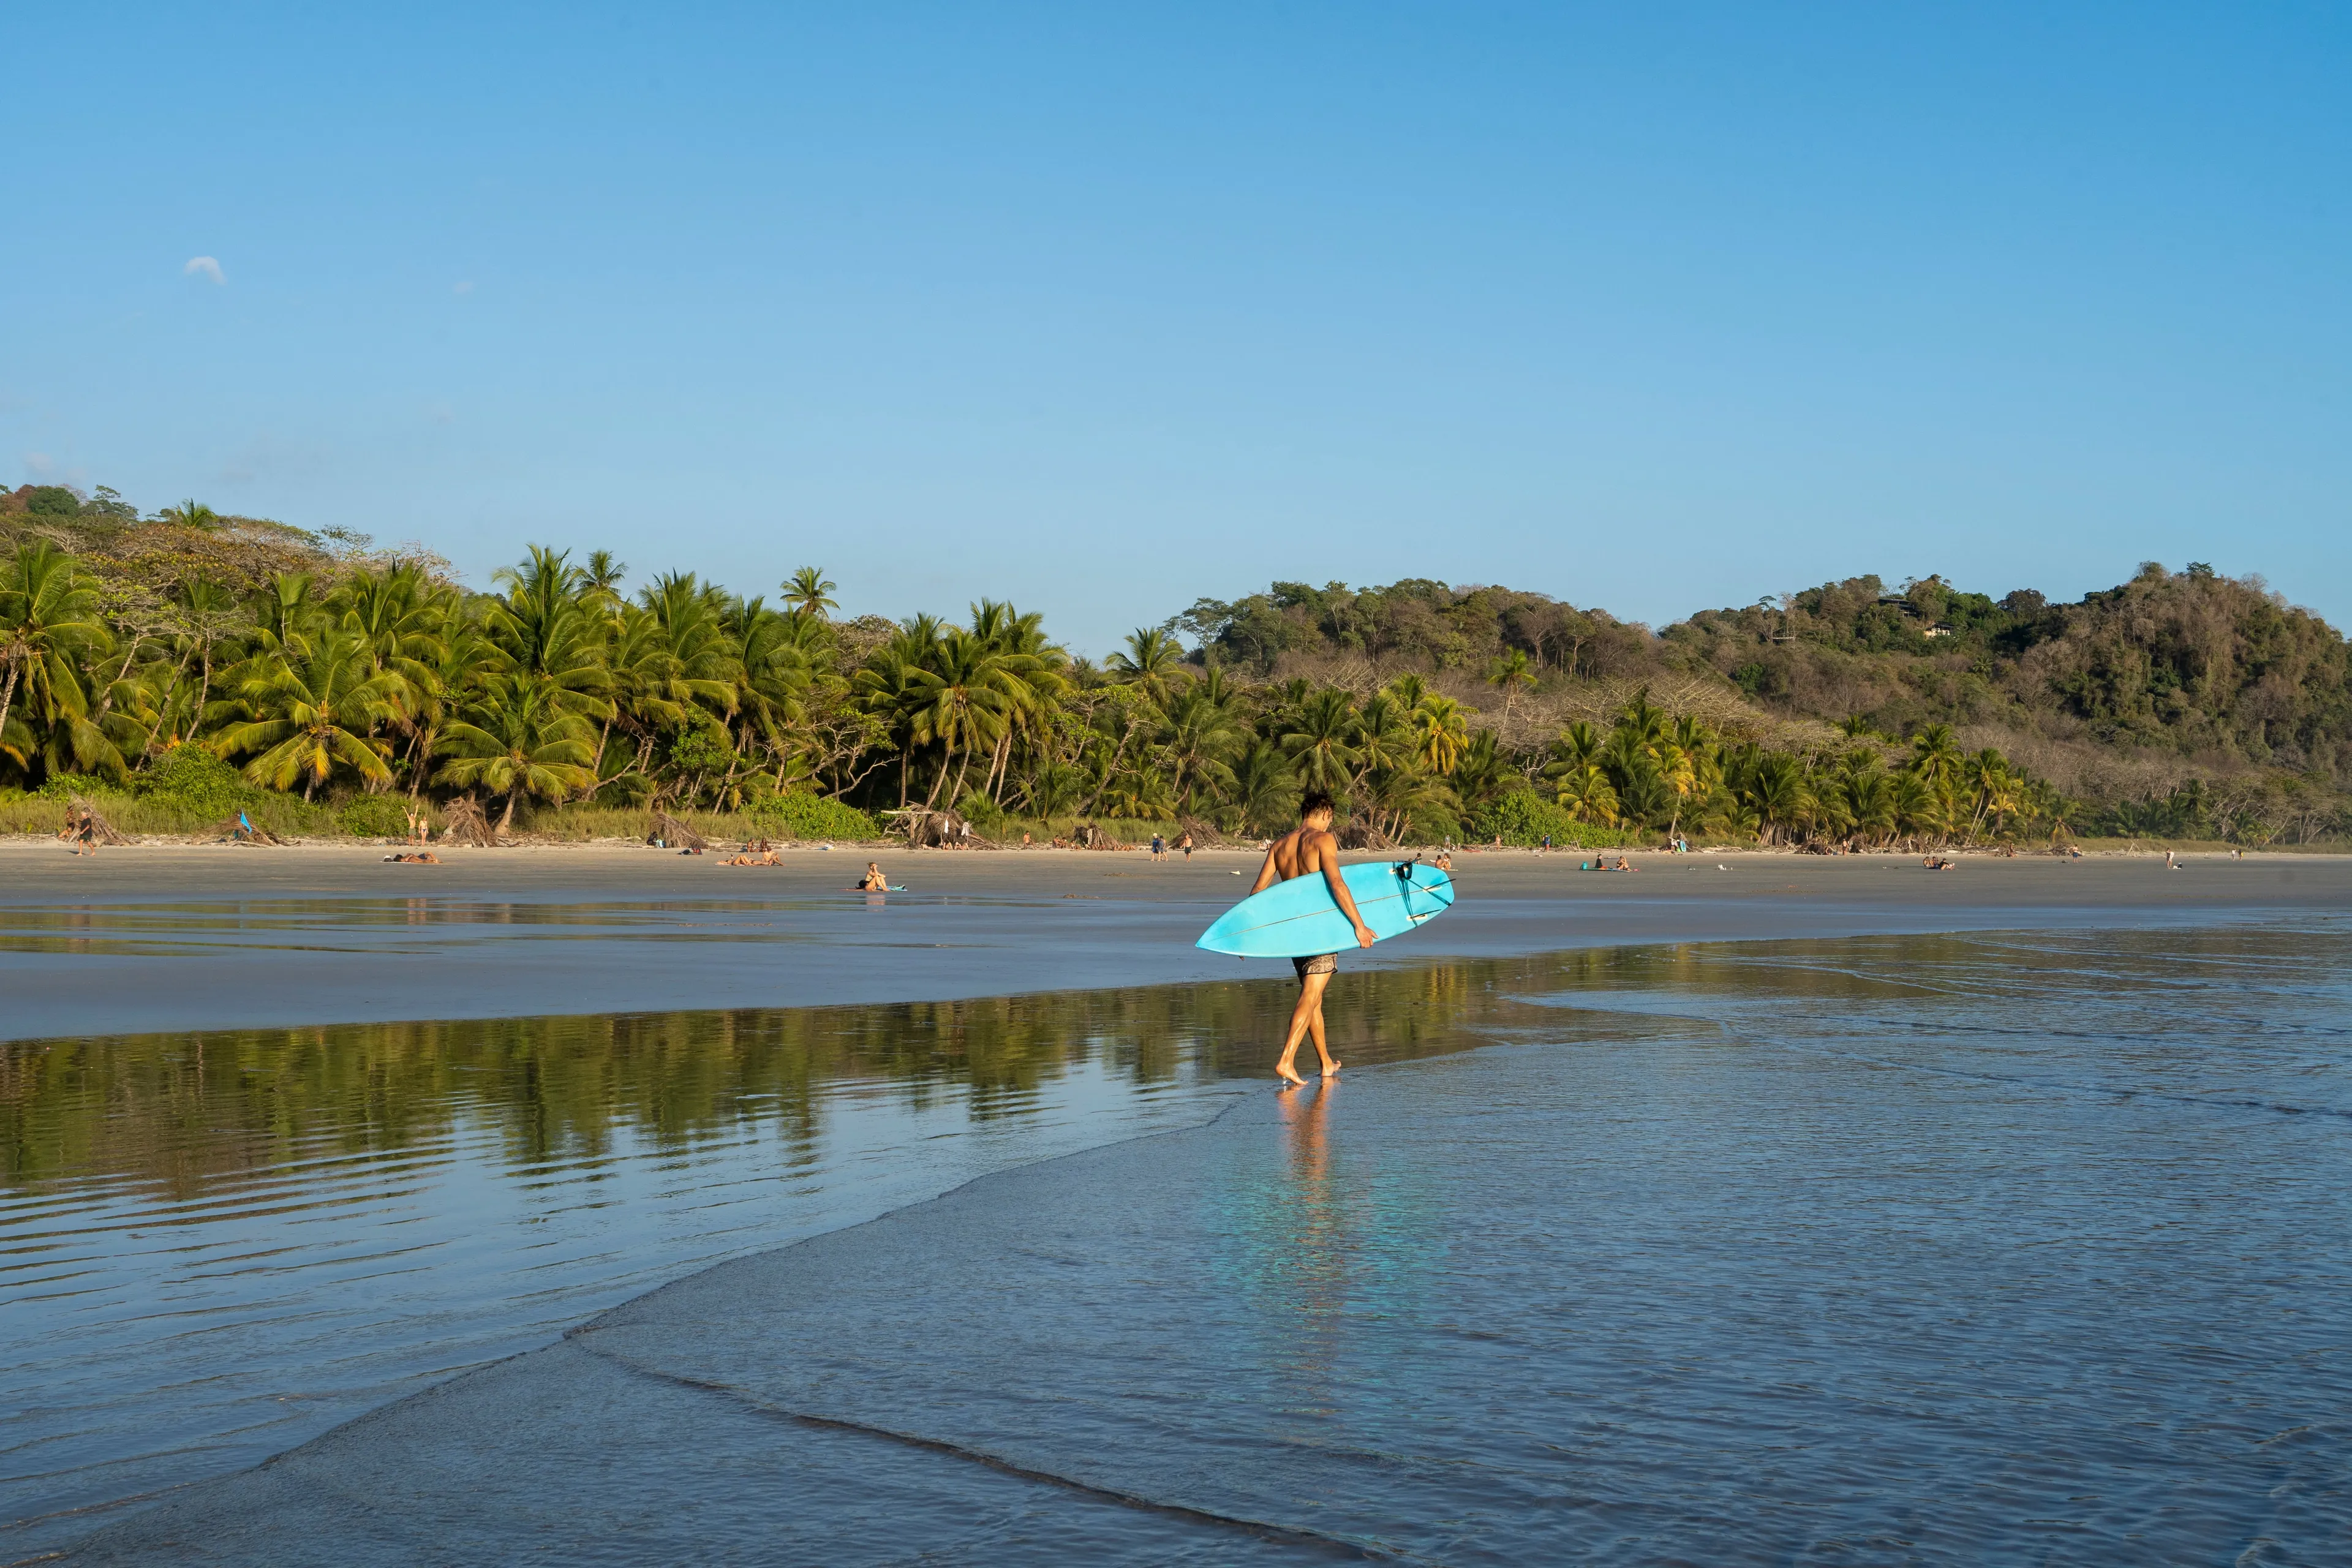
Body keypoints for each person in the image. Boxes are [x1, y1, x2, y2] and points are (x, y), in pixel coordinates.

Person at [1250, 791, 1376, 1088]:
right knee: (1309, 996)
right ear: (1323, 813)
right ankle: (1287, 1060)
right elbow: (1336, 883)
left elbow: (1257, 893)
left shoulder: (1279, 846)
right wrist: (1359, 925)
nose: (1330, 823)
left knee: (1314, 1000)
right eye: (1330, 817)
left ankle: (1326, 1063)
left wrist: (1250, 937)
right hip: (1321, 931)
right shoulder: (1322, 840)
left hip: (1295, 934)